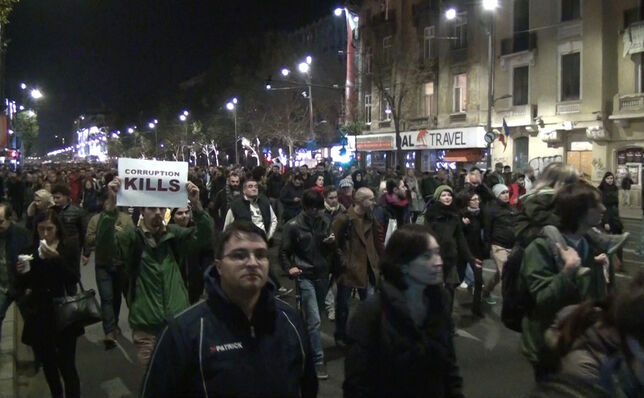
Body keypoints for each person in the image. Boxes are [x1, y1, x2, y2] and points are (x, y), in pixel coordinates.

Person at [141, 221, 318, 398]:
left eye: (261, 255)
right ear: (219, 266)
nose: (252, 263)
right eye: (239, 255)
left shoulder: (290, 321)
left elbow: (307, 387)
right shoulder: (184, 331)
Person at [96, 178, 213, 367]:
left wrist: (197, 204)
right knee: (154, 383)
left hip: (178, 324)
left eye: (161, 208)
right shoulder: (132, 238)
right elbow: (104, 249)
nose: (157, 213)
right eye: (151, 208)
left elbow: (205, 236)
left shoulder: (174, 235)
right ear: (142, 211)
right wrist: (110, 208)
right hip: (147, 330)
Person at [344, 224, 464, 398]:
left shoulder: (440, 301)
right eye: (426, 256)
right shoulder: (372, 311)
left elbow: (449, 365)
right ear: (403, 265)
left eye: (437, 253)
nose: (438, 262)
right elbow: (357, 381)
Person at [519, 181, 610, 382]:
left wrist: (597, 271)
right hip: (548, 345)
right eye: (597, 205)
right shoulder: (540, 248)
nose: (603, 208)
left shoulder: (587, 243)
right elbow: (542, 300)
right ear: (580, 212)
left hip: (577, 342)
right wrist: (567, 271)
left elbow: (590, 298)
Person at [17, 210, 83, 398]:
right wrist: (21, 272)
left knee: (67, 366)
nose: (45, 234)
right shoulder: (29, 251)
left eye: (50, 229)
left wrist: (56, 259)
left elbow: (73, 278)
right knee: (49, 365)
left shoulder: (67, 249)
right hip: (39, 315)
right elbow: (23, 284)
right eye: (41, 229)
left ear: (58, 229)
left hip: (64, 314)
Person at [280, 189, 335, 380]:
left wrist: (330, 243)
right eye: (312, 208)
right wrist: (290, 268)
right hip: (305, 274)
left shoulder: (324, 222)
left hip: (322, 274)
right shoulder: (293, 225)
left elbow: (330, 249)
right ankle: (317, 359)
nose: (315, 212)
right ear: (305, 207)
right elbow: (284, 252)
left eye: (317, 209)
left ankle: (303, 344)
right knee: (314, 319)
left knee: (315, 316)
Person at [331, 187, 384, 346]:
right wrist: (344, 261)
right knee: (343, 306)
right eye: (371, 199)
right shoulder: (344, 219)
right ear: (360, 201)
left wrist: (381, 262)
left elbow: (377, 242)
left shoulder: (371, 218)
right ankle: (341, 335)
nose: (374, 202)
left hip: (367, 268)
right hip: (349, 269)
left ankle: (366, 336)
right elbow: (334, 244)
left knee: (369, 305)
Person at [83, 193, 135, 349]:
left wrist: (118, 233)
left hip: (121, 265)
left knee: (116, 297)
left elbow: (132, 237)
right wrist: (105, 232)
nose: (109, 203)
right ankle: (109, 331)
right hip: (103, 264)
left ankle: (114, 323)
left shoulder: (126, 219)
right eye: (106, 200)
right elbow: (89, 239)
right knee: (106, 297)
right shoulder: (96, 219)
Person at [425, 185, 480, 316]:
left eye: (449, 195)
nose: (447, 197)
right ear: (438, 197)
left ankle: (447, 321)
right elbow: (425, 237)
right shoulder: (431, 214)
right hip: (434, 259)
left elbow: (461, 239)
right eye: (444, 195)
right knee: (435, 290)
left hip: (450, 258)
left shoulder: (455, 215)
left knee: (450, 289)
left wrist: (471, 259)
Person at [482, 183, 519, 305]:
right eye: (502, 193)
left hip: (512, 246)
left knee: (500, 274)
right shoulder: (491, 210)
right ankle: (509, 305)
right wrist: (487, 247)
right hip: (498, 246)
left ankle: (486, 291)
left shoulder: (512, 209)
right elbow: (487, 229)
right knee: (506, 275)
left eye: (507, 192)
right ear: (497, 195)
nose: (506, 195)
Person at [0, 203, 31, 341]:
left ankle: (41, 358)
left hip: (21, 286)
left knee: (31, 322)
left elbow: (31, 258)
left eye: (0, 221)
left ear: (10, 218)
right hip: (2, 287)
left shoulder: (21, 234)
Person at [171, 206, 211, 304]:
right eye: (179, 213)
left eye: (186, 212)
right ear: (173, 216)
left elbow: (206, 258)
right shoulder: (167, 235)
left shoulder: (197, 233)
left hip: (195, 287)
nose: (184, 216)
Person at [456, 190, 485, 317]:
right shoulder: (462, 214)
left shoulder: (480, 214)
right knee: (457, 279)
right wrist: (463, 224)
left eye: (478, 199)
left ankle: (476, 308)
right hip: (463, 252)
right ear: (468, 202)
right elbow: (456, 232)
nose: (477, 202)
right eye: (474, 200)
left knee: (478, 281)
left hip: (476, 252)